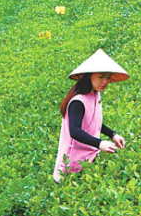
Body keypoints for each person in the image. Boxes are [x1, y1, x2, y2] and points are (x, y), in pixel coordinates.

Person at [53, 48, 128, 182]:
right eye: (101, 77)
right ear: (89, 75)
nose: (105, 82)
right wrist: (99, 143)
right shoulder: (78, 101)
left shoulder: (95, 94)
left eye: (108, 77)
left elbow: (93, 121)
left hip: (89, 156)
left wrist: (113, 134)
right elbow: (74, 131)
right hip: (73, 159)